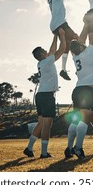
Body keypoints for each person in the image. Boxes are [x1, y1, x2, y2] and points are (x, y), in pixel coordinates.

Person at [23, 28, 66, 158]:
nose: (47, 51)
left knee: (41, 123)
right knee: (47, 125)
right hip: (47, 96)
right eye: (44, 51)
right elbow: (61, 50)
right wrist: (62, 37)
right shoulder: (47, 61)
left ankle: (29, 148)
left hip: (41, 95)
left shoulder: (42, 62)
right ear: (42, 54)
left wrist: (54, 37)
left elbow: (52, 50)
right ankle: (44, 153)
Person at [64, 22, 93, 159]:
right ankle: (78, 148)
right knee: (84, 120)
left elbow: (81, 40)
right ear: (80, 45)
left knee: (75, 121)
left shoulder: (75, 56)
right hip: (87, 90)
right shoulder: (89, 52)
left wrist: (86, 24)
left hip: (77, 90)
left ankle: (68, 148)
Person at [45, 0, 78, 81]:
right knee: (75, 39)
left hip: (54, 25)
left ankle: (63, 70)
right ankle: (74, 66)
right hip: (60, 23)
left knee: (67, 44)